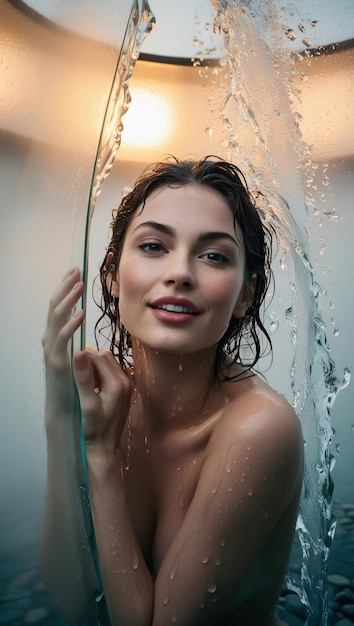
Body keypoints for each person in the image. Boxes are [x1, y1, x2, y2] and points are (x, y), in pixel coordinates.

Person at [40, 156, 304, 626]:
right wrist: (60, 410)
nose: (180, 272)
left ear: (246, 293)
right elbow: (69, 598)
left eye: (214, 256)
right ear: (113, 278)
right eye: (154, 246)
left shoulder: (260, 429)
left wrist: (100, 456)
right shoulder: (106, 401)